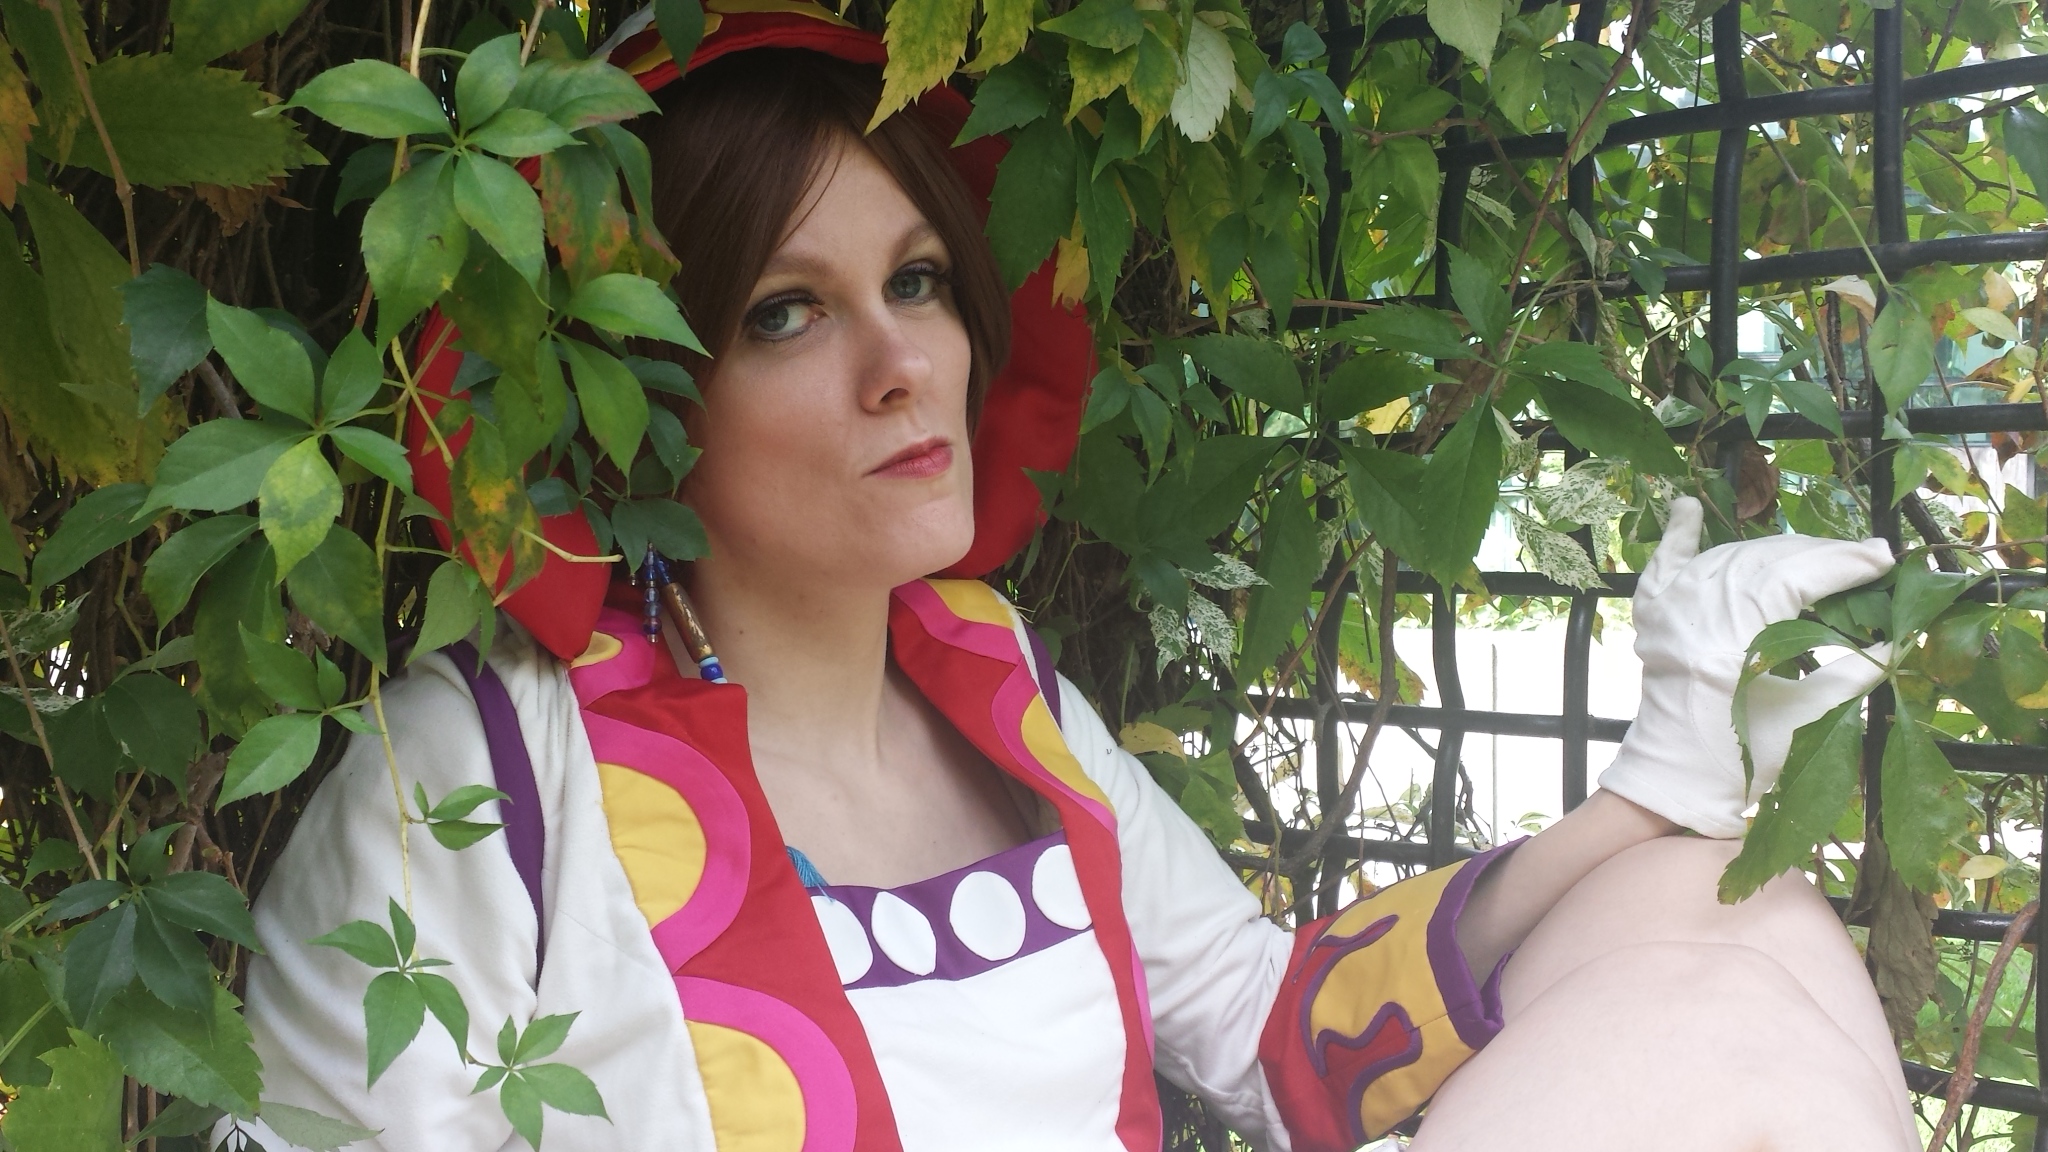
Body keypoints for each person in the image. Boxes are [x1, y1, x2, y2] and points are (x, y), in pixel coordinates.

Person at [235, 5, 1921, 1149]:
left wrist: (1652, 788)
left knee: (1729, 902)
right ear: (635, 391)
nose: (902, 365)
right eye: (784, 313)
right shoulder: (471, 778)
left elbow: (1269, 1032)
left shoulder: (996, 681)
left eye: (917, 280)